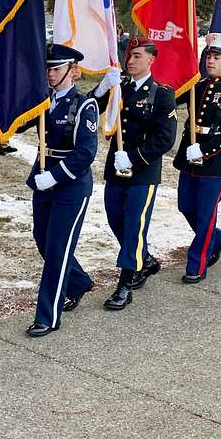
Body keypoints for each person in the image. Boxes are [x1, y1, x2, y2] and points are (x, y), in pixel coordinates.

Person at [92, 37, 177, 306]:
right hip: (115, 171)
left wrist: (133, 158)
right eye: (130, 55)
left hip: (142, 172)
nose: (131, 60)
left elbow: (165, 138)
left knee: (133, 227)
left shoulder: (162, 93)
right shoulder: (119, 88)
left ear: (151, 60)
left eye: (138, 56)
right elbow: (87, 108)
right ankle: (145, 259)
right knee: (116, 220)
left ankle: (125, 284)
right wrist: (102, 87)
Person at [20, 45, 98, 336]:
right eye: (48, 69)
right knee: (42, 238)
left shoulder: (84, 105)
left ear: (73, 71)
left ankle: (48, 316)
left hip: (70, 185)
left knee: (58, 250)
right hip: (42, 179)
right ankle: (78, 283)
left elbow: (85, 153)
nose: (50, 74)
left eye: (56, 69)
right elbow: (18, 125)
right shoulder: (43, 100)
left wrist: (54, 177)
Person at [173, 33, 221, 283]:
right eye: (208, 56)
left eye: (217, 57)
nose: (211, 61)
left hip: (215, 163)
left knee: (206, 214)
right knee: (185, 206)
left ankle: (197, 264)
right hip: (189, 159)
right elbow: (170, 98)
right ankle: (217, 238)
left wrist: (204, 151)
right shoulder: (197, 85)